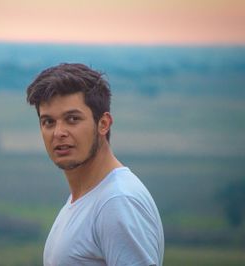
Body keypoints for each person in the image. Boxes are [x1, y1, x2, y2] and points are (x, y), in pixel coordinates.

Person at [26, 63, 164, 266]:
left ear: (104, 123)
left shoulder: (117, 202)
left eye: (72, 119)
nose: (58, 133)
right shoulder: (86, 198)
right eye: (48, 122)